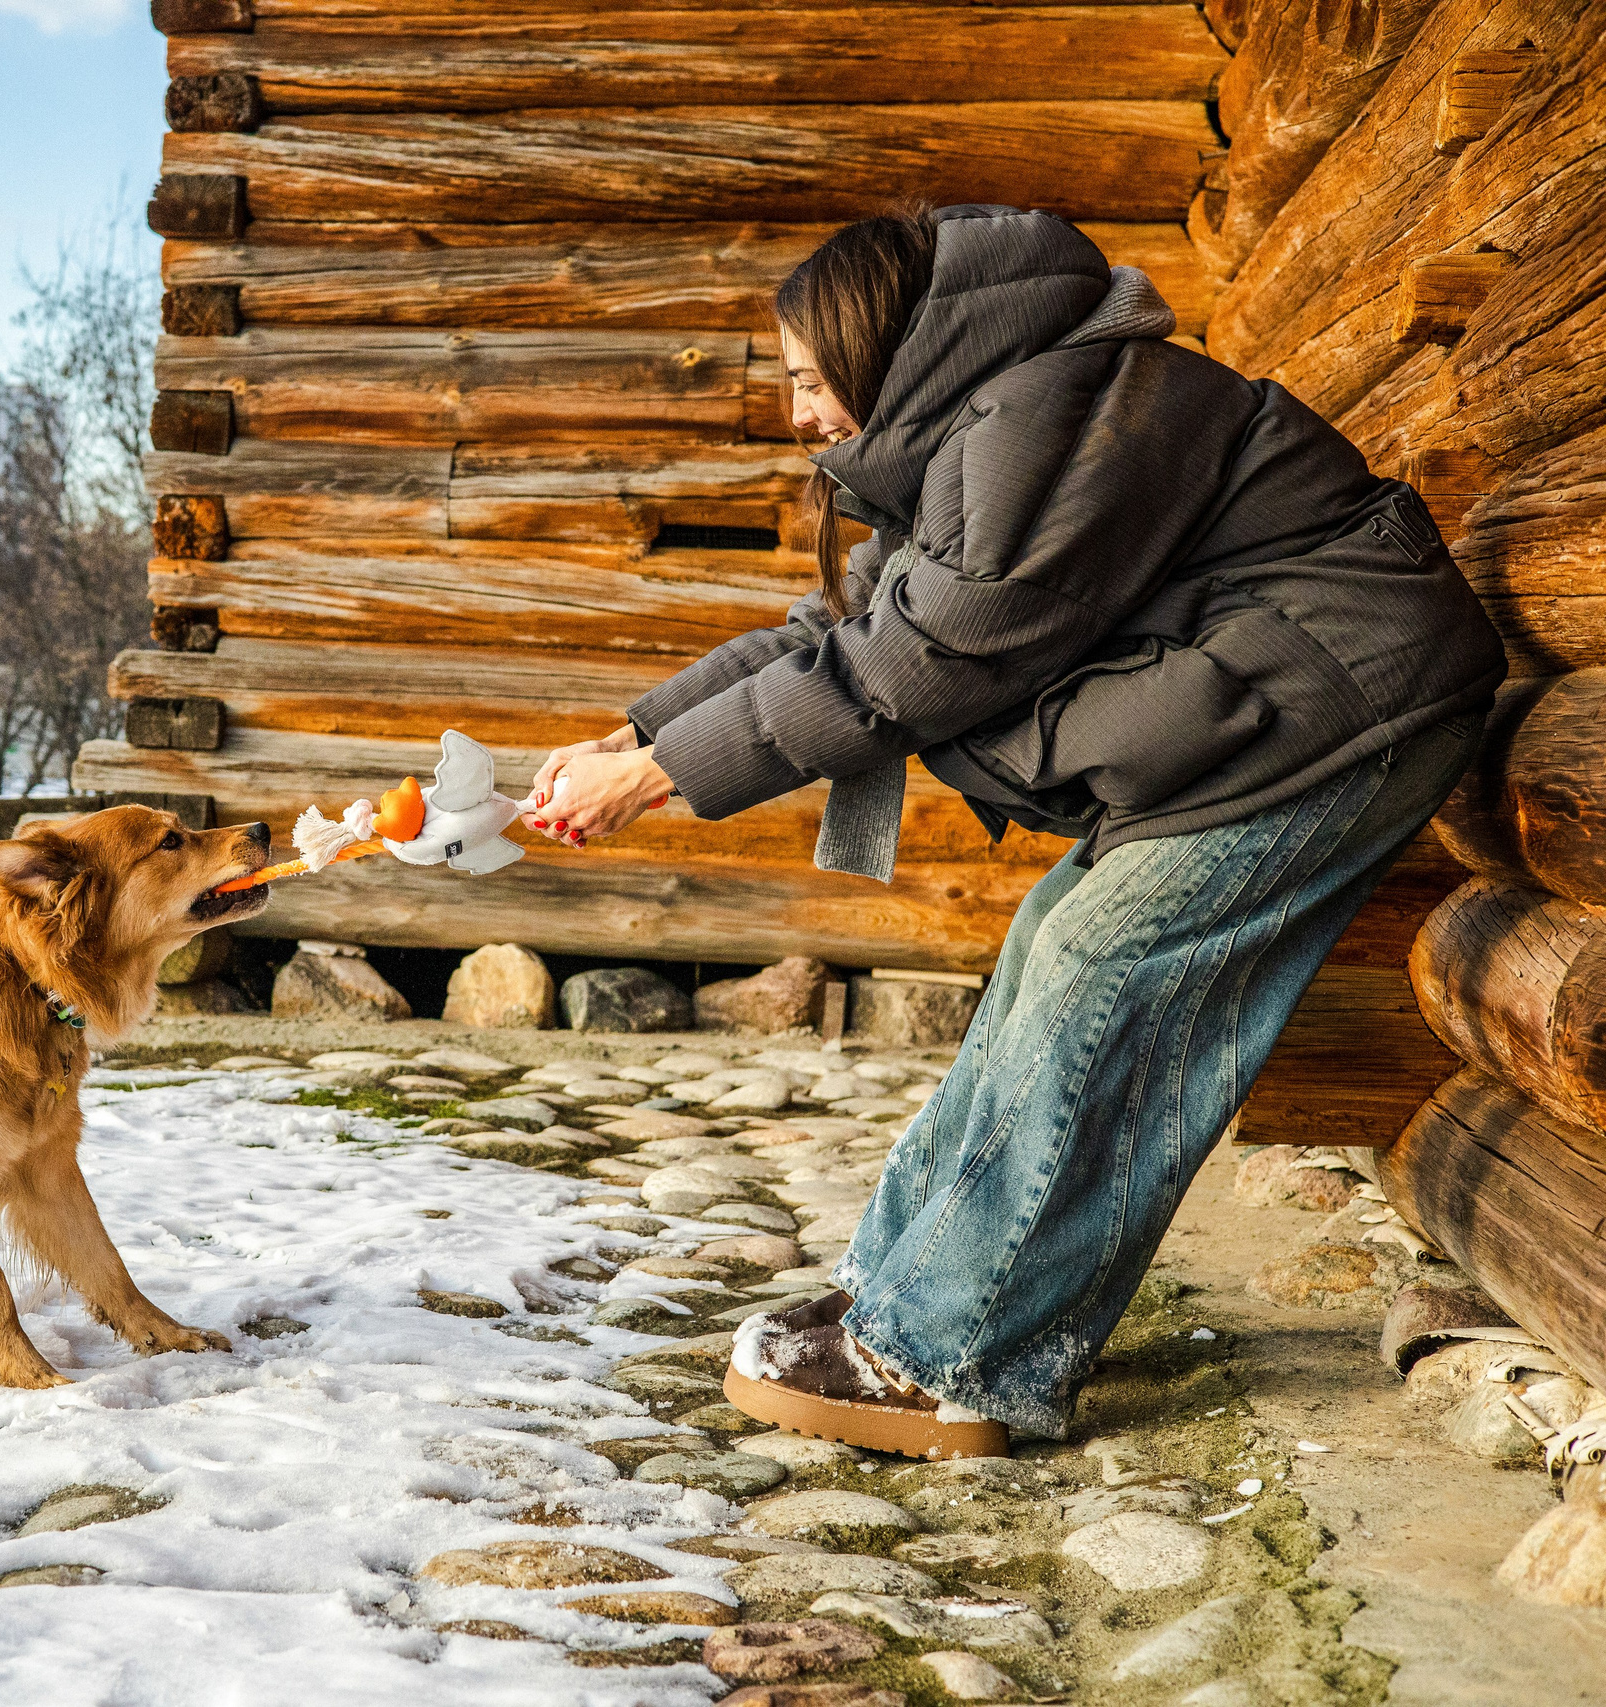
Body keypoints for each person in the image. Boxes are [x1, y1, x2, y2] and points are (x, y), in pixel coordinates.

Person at [526, 204, 1503, 1459]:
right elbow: (843, 629)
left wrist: (662, 773)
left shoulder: (1046, 413)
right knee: (1055, 943)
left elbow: (915, 661)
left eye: (811, 379)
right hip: (1265, 709)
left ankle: (955, 1352)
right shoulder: (989, 417)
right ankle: (902, 1295)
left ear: (887, 348)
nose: (798, 414)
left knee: (1102, 972)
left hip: (1343, 705)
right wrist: (638, 733)